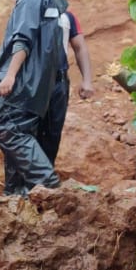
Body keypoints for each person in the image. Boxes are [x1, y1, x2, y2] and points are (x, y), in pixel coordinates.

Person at [0, 0, 66, 195]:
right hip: (39, 87)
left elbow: (22, 39)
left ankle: (48, 184)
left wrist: (10, 76)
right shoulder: (52, 1)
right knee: (22, 136)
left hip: (23, 84)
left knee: (9, 131)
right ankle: (15, 196)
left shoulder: (31, 0)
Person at [37, 8, 96, 165]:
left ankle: (45, 178)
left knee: (53, 132)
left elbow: (80, 47)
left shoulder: (67, 16)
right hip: (33, 82)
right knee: (30, 131)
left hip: (58, 81)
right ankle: (27, 181)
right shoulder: (28, 11)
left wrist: (87, 80)